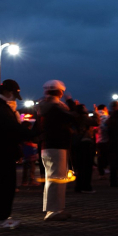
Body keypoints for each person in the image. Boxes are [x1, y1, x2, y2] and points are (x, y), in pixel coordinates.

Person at [38, 80, 77, 221]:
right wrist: (72, 103)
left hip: (48, 145)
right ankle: (54, 211)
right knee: (57, 179)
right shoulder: (56, 108)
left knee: (53, 178)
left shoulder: (45, 106)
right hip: (57, 145)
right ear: (60, 91)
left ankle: (54, 208)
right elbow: (74, 117)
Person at [0, 79, 32, 229]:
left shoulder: (5, 108)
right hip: (4, 152)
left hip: (6, 151)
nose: (14, 100)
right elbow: (12, 129)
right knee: (6, 185)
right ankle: (2, 218)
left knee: (7, 185)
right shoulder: (3, 109)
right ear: (8, 92)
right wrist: (32, 133)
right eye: (13, 95)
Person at [71, 103, 98, 194]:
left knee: (79, 166)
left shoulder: (74, 117)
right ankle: (86, 186)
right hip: (85, 142)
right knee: (86, 166)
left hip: (76, 143)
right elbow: (96, 122)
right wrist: (96, 113)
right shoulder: (84, 117)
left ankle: (78, 186)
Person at [95, 104, 110, 179]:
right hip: (105, 139)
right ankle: (104, 169)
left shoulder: (96, 116)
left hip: (98, 139)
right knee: (105, 156)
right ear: (104, 108)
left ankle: (101, 172)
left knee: (100, 157)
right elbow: (106, 128)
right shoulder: (105, 116)